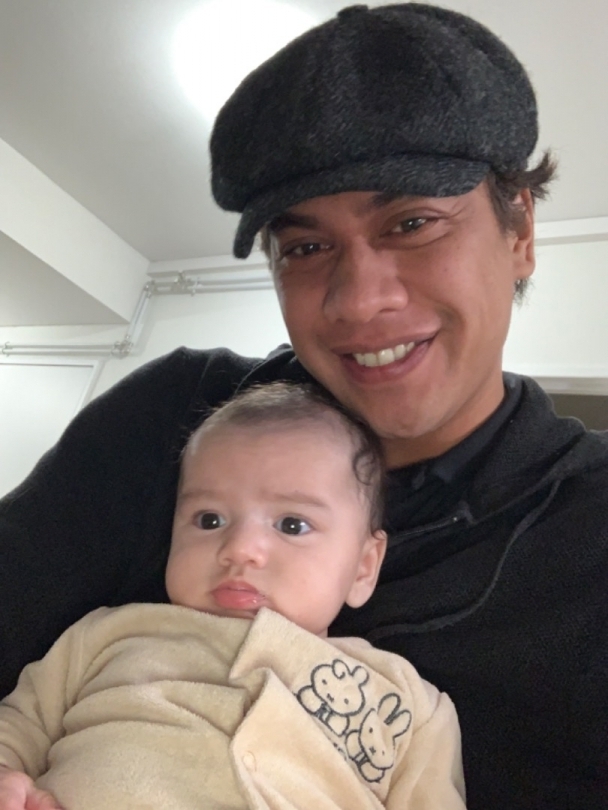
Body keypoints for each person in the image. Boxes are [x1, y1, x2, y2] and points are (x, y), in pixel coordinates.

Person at [0, 4, 606, 808]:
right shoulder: (176, 416)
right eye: (308, 247)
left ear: (519, 229)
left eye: (413, 222)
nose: (358, 301)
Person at [0, 383, 465, 810]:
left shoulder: (406, 704)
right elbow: (19, 726)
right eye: (210, 520)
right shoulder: (106, 635)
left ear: (363, 567)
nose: (240, 549)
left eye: (292, 525)